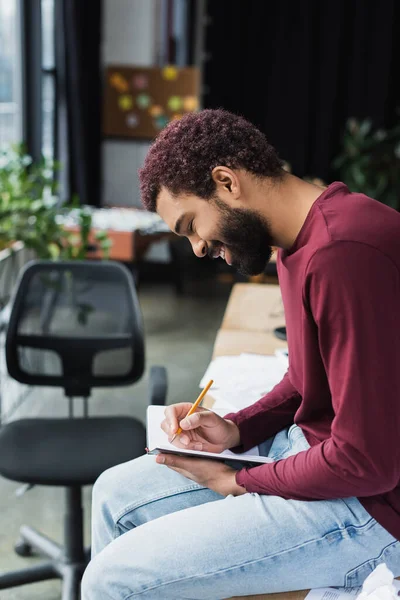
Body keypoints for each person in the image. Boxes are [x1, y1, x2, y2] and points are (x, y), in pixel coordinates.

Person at [81, 109, 400, 599]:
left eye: (191, 225)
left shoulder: (344, 252)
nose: (197, 248)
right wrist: (237, 428)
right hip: (316, 455)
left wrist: (240, 482)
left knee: (112, 579)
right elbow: (309, 375)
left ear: (226, 182)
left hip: (370, 507)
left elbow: (367, 462)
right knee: (114, 495)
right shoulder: (301, 241)